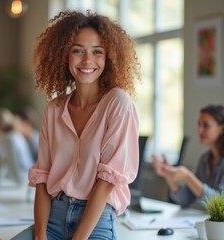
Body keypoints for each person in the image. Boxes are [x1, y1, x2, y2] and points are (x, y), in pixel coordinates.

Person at [13, 11, 140, 240]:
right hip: (53, 217)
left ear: (109, 58)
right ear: (65, 55)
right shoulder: (54, 109)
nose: (87, 60)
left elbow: (106, 182)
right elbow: (42, 179)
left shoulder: (118, 103)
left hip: (95, 222)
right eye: (77, 50)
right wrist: (40, 235)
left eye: (97, 52)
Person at [152, 104, 224, 219]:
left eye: (206, 125)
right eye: (199, 125)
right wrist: (169, 176)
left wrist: (188, 177)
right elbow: (186, 200)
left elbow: (220, 205)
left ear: (222, 129)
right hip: (212, 224)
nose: (199, 130)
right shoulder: (205, 157)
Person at [0, 108, 34, 185]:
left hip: (24, 178)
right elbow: (6, 161)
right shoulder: (6, 137)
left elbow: (13, 163)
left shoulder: (11, 138)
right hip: (18, 178)